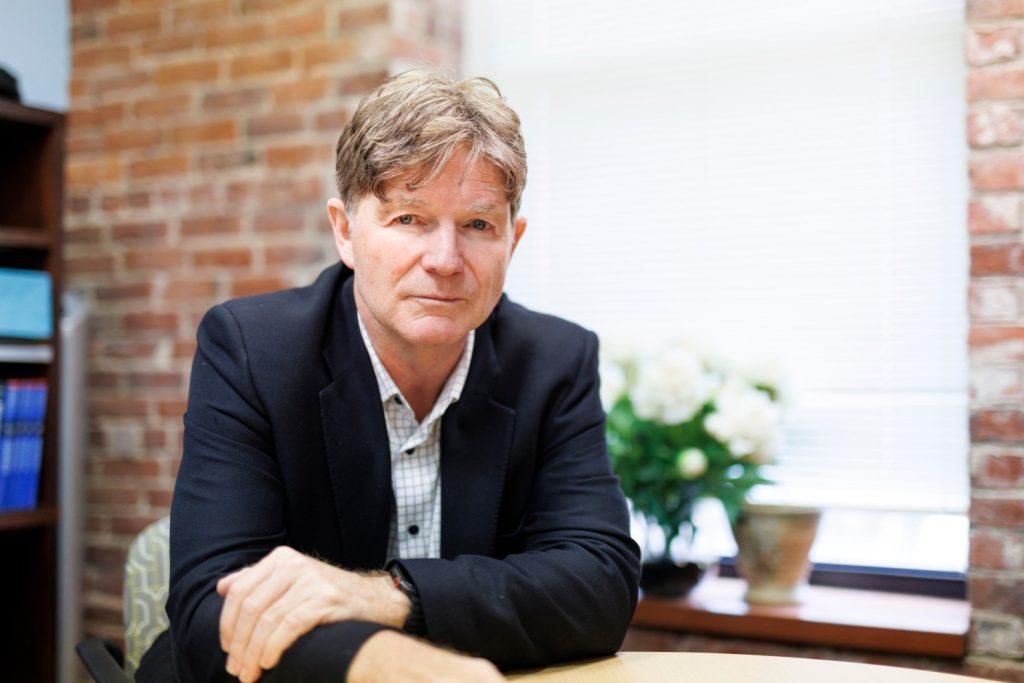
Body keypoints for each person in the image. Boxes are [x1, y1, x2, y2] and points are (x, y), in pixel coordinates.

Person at [147, 69, 640, 683]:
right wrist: (394, 664)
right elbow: (210, 614)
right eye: (408, 218)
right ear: (345, 232)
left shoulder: (555, 360)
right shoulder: (253, 350)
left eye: (478, 225)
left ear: (512, 241)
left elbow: (599, 587)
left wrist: (388, 596)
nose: (445, 260)